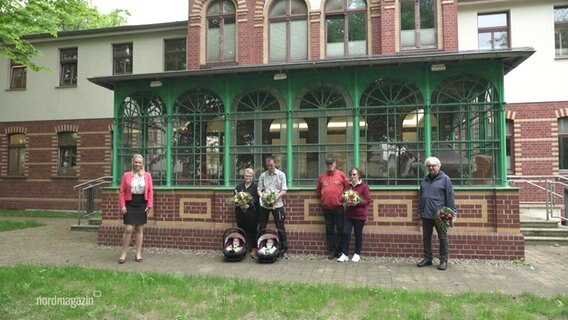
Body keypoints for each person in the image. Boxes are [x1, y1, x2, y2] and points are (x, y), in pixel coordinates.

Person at [417, 156, 456, 271]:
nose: (431, 168)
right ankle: (427, 258)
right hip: (426, 214)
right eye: (429, 166)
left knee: (443, 238)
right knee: (426, 238)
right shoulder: (425, 180)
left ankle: (443, 260)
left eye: (433, 166)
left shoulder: (445, 179)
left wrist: (451, 213)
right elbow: (421, 196)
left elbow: (450, 197)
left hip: (441, 214)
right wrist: (420, 210)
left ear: (439, 166)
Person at [118, 153, 153, 264]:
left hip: (142, 203)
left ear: (142, 164)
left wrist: (149, 205)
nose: (137, 164)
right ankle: (124, 253)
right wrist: (122, 205)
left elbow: (150, 191)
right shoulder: (126, 175)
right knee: (128, 229)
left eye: (139, 162)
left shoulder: (147, 175)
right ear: (132, 162)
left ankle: (138, 254)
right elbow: (122, 191)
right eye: (136, 162)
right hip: (130, 203)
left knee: (139, 229)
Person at [316, 157, 349, 260]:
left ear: (335, 163)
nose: (330, 165)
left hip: (339, 207)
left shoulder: (341, 175)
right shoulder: (322, 177)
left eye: (331, 163)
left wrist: (345, 201)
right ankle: (332, 250)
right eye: (328, 163)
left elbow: (348, 189)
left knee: (340, 229)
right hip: (326, 208)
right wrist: (322, 199)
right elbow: (318, 191)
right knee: (329, 229)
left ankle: (339, 251)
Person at [257, 156, 289, 258]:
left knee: (280, 227)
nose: (270, 167)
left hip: (277, 204)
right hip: (264, 205)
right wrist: (263, 196)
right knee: (262, 226)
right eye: (268, 166)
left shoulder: (281, 175)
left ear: (275, 163)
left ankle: (283, 249)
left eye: (271, 165)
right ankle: (260, 246)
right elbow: (259, 189)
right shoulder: (263, 175)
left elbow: (284, 190)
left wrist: (276, 196)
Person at [337, 168, 371, 263]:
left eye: (354, 175)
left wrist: (357, 203)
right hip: (348, 215)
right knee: (345, 233)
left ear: (359, 175)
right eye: (351, 175)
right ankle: (345, 254)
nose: (352, 176)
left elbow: (368, 200)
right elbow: (344, 196)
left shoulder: (363, 186)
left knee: (358, 234)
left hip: (359, 215)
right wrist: (345, 199)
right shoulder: (348, 186)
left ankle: (357, 254)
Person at [234, 168, 259, 259]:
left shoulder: (256, 187)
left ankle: (254, 249)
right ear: (243, 176)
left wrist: (249, 205)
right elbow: (235, 198)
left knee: (253, 231)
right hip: (240, 213)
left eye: (249, 176)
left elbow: (257, 200)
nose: (248, 177)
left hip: (252, 213)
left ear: (252, 177)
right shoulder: (239, 187)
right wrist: (239, 204)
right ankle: (241, 248)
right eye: (246, 176)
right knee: (241, 231)